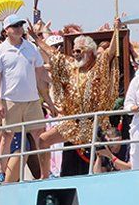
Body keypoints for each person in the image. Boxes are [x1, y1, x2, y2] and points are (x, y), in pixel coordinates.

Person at [35, 31, 121, 176]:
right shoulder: (71, 67)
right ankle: (45, 177)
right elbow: (53, 53)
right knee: (43, 140)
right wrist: (36, 39)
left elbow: (111, 51)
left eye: (78, 50)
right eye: (74, 51)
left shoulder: (97, 67)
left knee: (98, 160)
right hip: (73, 122)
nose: (75, 54)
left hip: (92, 123)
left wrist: (116, 29)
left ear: (89, 51)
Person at [0, 14, 50, 183]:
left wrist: (55, 86)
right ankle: (2, 172)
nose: (19, 28)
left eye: (20, 25)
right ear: (6, 30)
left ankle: (46, 172)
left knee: (40, 135)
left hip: (32, 100)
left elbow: (40, 73)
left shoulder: (31, 47)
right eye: (15, 26)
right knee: (7, 136)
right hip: (10, 100)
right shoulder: (0, 51)